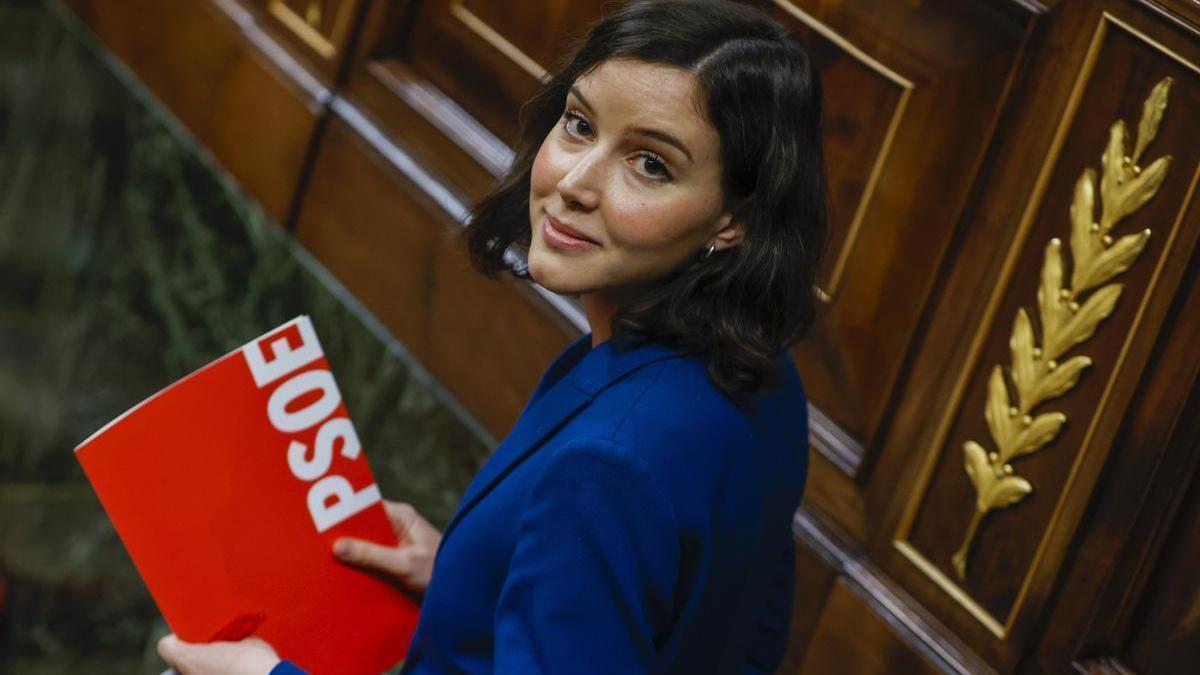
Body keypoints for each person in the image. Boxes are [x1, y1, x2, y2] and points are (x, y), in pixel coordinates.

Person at [157, 0, 827, 672]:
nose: (574, 182)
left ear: (733, 219)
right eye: (579, 124)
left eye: (650, 164)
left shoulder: (606, 466)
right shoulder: (763, 373)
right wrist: (466, 580)